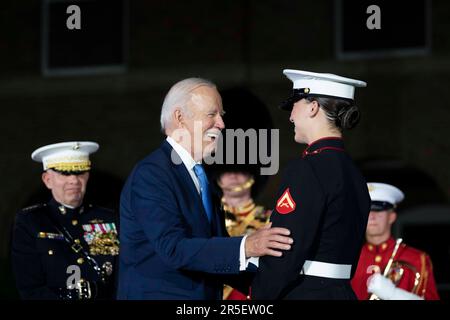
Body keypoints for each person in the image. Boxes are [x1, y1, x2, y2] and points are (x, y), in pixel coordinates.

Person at [117, 78, 293, 300]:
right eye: (211, 114)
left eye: (221, 115)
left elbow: (213, 252)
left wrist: (280, 285)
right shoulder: (152, 174)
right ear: (180, 118)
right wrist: (247, 245)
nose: (221, 124)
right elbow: (174, 249)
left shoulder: (199, 177)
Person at [251, 69, 371, 300]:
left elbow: (284, 248)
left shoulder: (307, 168)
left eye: (295, 105)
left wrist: (259, 294)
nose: (291, 117)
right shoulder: (354, 172)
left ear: (313, 107)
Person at [11, 141, 119, 300]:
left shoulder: (107, 218)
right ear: (47, 179)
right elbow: (30, 289)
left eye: (80, 172)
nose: (74, 180)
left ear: (87, 176)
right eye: (64, 173)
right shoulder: (32, 222)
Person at [350, 182, 440, 300]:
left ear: (391, 217)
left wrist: (394, 295)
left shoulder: (416, 259)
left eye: (378, 210)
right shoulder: (349, 257)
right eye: (367, 210)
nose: (371, 216)